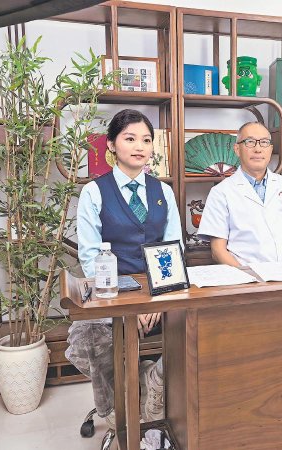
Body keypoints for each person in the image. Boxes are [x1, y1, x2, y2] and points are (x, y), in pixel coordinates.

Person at [66, 109, 182, 428]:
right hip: (113, 291)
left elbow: (174, 250)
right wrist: (131, 305)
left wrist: (155, 301)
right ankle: (117, 408)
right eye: (130, 138)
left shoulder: (163, 192)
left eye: (146, 140)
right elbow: (91, 257)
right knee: (89, 335)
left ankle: (154, 382)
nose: (139, 146)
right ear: (112, 145)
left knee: (196, 323)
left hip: (159, 290)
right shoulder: (94, 192)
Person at [197, 121, 282, 265]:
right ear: (237, 149)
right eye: (250, 142)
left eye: (264, 142)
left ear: (271, 149)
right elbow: (218, 250)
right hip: (246, 275)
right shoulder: (221, 192)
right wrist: (248, 276)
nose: (258, 149)